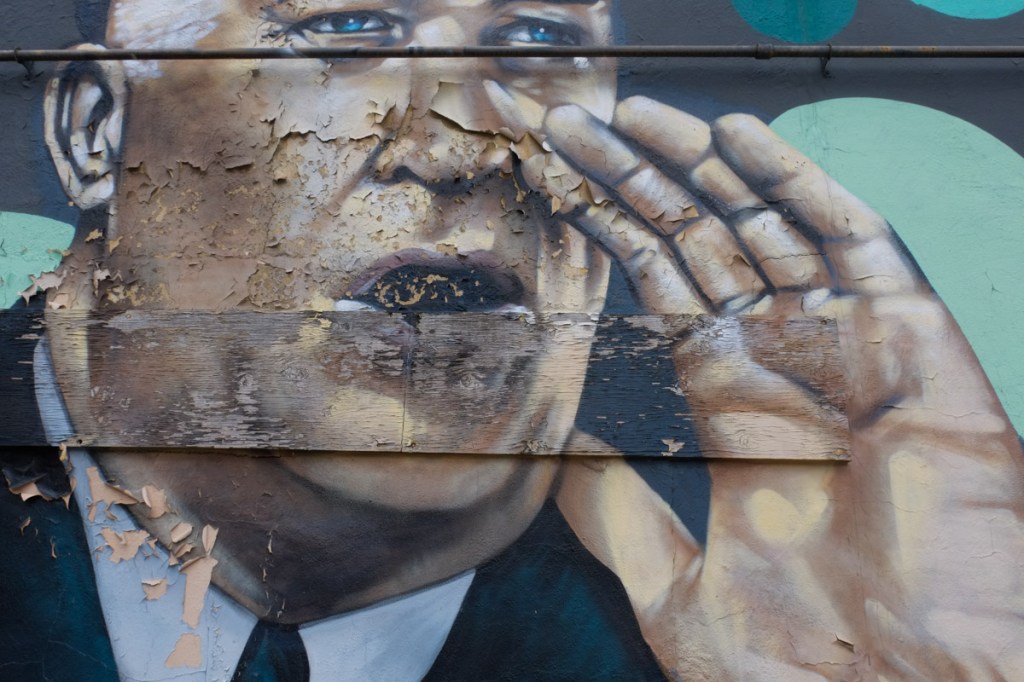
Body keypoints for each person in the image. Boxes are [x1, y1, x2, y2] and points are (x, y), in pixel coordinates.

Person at [4, 0, 1024, 679]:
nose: (459, 136)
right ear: (96, 129)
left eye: (536, 43)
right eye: (350, 26)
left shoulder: (727, 632)